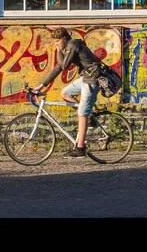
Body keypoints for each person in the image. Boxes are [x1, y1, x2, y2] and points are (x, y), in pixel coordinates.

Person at [28, 27, 104, 156]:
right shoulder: (69, 47)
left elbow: (64, 66)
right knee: (65, 93)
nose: (56, 44)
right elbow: (59, 67)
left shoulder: (73, 44)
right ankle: (89, 116)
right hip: (86, 77)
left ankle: (80, 148)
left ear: (63, 39)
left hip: (92, 79)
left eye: (57, 42)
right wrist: (42, 85)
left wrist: (58, 52)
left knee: (82, 113)